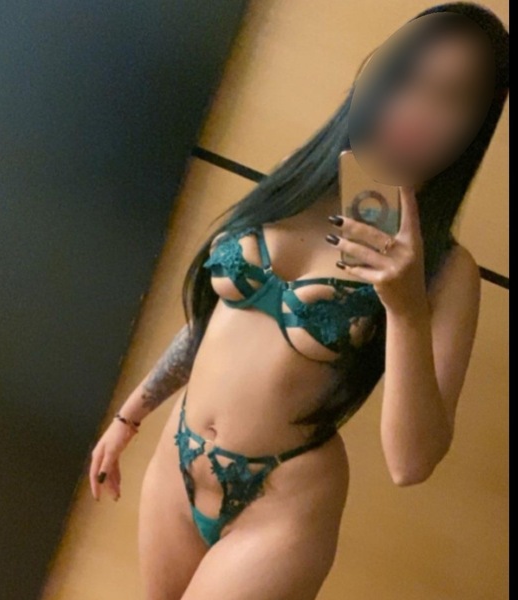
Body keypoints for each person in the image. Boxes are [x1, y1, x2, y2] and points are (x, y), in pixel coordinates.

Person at [89, 3, 509, 599]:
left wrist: (405, 308)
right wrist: (129, 416)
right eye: (410, 78)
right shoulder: (297, 181)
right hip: (177, 459)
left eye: (452, 97)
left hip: (281, 503)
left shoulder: (446, 270)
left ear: (476, 127)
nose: (419, 108)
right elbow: (216, 323)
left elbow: (411, 462)